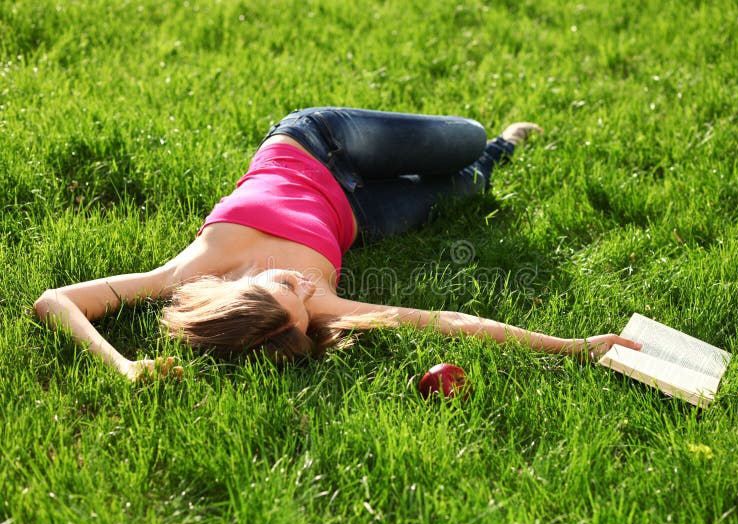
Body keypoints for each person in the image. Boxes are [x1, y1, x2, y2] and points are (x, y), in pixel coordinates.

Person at [34, 107, 641, 380]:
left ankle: (483, 140)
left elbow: (54, 299)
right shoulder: (313, 308)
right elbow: (448, 321)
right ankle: (499, 153)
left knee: (464, 137)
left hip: (323, 144)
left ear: (236, 291)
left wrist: (121, 366)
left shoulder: (192, 270)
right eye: (304, 296)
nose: (305, 283)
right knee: (465, 185)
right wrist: (571, 346)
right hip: (352, 214)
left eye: (285, 285)